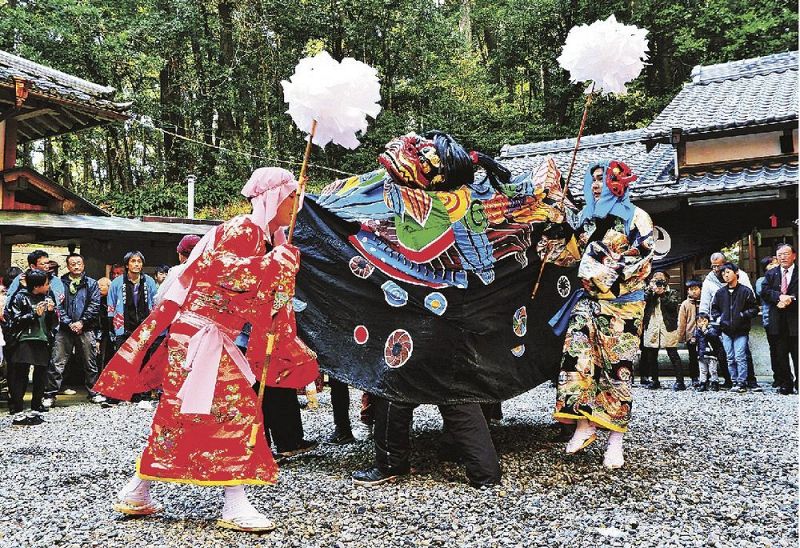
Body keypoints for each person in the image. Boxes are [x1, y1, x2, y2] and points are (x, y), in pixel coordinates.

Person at [94, 167, 318, 532]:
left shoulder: (258, 236)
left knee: (182, 415)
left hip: (203, 334)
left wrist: (278, 272)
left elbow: (251, 294)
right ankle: (234, 503)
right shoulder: (244, 229)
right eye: (291, 196)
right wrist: (271, 265)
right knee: (238, 411)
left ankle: (137, 490)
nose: (296, 203)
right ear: (273, 197)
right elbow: (219, 271)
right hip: (204, 334)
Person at [550, 161, 653, 470]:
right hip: (588, 302)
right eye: (592, 180)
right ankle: (585, 424)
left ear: (616, 182)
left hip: (624, 304)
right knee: (576, 357)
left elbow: (644, 259)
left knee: (616, 369)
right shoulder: (587, 219)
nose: (596, 185)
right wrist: (559, 226)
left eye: (602, 179)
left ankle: (615, 440)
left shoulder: (637, 217)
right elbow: (569, 255)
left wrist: (600, 265)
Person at [44, 254, 104, 408]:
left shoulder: (91, 283)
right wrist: (69, 322)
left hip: (86, 328)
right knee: (57, 362)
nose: (76, 266)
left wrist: (82, 322)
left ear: (83, 265)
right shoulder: (60, 283)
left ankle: (94, 392)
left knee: (90, 362)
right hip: (64, 329)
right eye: (72, 264)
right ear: (68, 266)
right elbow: (57, 305)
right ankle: (50, 394)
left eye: (79, 263)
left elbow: (94, 305)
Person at [4, 269, 57, 425]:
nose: (48, 286)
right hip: (23, 340)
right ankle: (19, 411)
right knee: (20, 376)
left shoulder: (47, 297)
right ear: (37, 286)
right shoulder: (20, 297)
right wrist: (34, 314)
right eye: (46, 283)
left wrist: (51, 313)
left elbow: (51, 322)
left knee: (41, 375)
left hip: (42, 339)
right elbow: (14, 320)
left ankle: (35, 409)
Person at [699, 252, 755, 389]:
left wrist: (742, 315)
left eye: (719, 266)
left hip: (740, 323)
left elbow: (751, 300)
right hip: (721, 322)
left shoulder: (740, 275)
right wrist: (709, 319)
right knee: (725, 354)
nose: (716, 269)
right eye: (713, 266)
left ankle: (750, 380)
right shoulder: (710, 280)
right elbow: (706, 302)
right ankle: (731, 380)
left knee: (743, 353)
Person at [711, 263, 758, 393]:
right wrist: (719, 319)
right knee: (730, 357)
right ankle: (734, 381)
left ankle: (742, 382)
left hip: (741, 330)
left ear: (736, 273)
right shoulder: (720, 293)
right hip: (726, 330)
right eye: (723, 273)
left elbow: (754, 308)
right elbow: (714, 308)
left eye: (728, 272)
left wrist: (743, 315)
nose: (725, 275)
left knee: (740, 356)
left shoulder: (745, 291)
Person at [759, 244, 798, 395]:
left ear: (794, 255)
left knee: (797, 354)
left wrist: (791, 299)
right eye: (779, 254)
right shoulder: (772, 273)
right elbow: (765, 291)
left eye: (786, 254)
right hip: (778, 320)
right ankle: (786, 383)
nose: (783, 257)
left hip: (796, 319)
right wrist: (779, 297)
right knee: (781, 354)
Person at [641, 271, 685, 390]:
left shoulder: (672, 292)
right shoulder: (649, 292)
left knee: (672, 353)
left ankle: (680, 381)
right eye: (656, 278)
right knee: (652, 354)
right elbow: (643, 302)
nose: (659, 280)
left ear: (667, 280)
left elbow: (672, 306)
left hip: (668, 326)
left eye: (661, 278)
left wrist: (663, 294)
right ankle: (654, 380)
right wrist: (651, 291)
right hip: (652, 325)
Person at [107, 251, 158, 350]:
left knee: (143, 361)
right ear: (127, 265)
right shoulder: (116, 283)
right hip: (123, 327)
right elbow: (111, 307)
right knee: (122, 361)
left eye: (139, 261)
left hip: (145, 328)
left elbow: (155, 303)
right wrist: (112, 328)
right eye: (133, 261)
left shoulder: (149, 281)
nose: (136, 264)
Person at [755, 256, 780, 387]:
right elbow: (763, 293)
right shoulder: (761, 281)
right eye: (771, 264)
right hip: (769, 319)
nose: (774, 266)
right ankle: (778, 377)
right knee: (774, 349)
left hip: (785, 319)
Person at [677, 279, 702, 388]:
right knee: (692, 357)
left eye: (696, 289)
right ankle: (694, 377)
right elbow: (681, 322)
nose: (694, 292)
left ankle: (706, 377)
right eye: (691, 290)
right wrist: (680, 337)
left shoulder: (704, 301)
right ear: (688, 291)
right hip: (690, 334)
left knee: (705, 356)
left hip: (704, 334)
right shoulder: (685, 304)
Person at [693, 313, 719, 391]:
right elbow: (696, 341)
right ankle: (703, 383)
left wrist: (705, 331)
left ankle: (714, 383)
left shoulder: (712, 329)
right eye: (700, 321)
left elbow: (714, 337)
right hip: (701, 354)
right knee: (702, 370)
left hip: (711, 354)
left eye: (704, 321)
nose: (702, 323)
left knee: (713, 370)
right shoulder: (697, 331)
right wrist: (693, 341)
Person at [95, 277, 115, 371]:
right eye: (98, 285)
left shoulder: (114, 300)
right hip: (103, 333)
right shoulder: (97, 301)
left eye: (102, 285)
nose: (99, 288)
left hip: (114, 332)